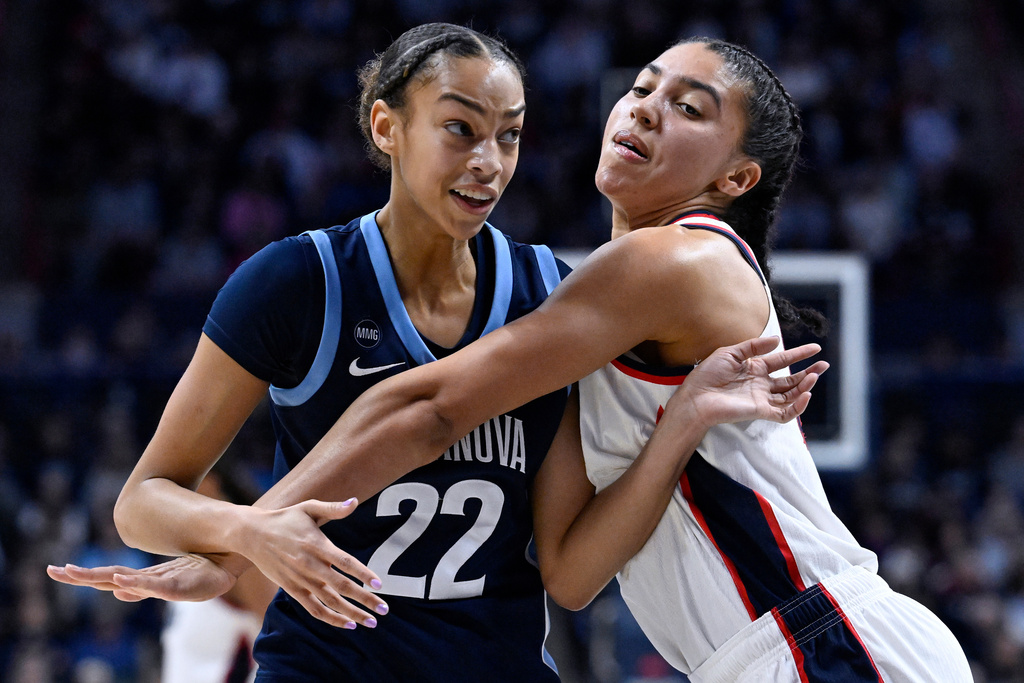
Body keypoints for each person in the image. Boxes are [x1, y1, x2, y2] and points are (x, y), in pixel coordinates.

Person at [47, 27, 834, 681]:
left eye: (510, 135)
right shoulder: (297, 281)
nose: (488, 161)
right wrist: (249, 535)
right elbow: (142, 499)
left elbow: (570, 570)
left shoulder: (548, 297)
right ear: (387, 127)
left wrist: (683, 418)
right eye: (460, 128)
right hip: (324, 666)